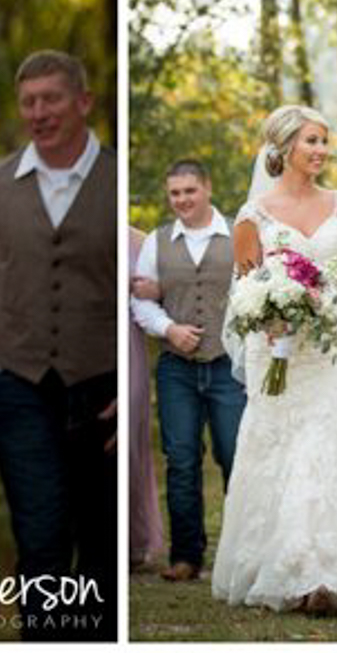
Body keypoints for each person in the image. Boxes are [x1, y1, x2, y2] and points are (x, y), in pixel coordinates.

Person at [208, 105, 337, 615]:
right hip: (275, 346)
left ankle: (327, 573)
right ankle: (289, 568)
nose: (320, 151)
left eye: (323, 141)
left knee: (329, 439)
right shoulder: (253, 218)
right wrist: (270, 319)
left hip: (331, 341)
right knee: (281, 445)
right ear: (284, 146)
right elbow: (245, 289)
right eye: (311, 141)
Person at [0, 49, 115, 640]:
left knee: (99, 549)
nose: (39, 112)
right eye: (29, 102)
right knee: (41, 544)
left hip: (101, 390)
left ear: (83, 102)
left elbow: (139, 288)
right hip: (20, 386)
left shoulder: (115, 176)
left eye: (51, 99)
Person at [130, 159, 244, 583]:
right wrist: (169, 329)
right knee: (180, 459)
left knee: (234, 454)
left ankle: (240, 552)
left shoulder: (238, 233)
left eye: (189, 191)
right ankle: (186, 555)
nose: (181, 200)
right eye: (175, 193)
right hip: (177, 368)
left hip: (228, 364)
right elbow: (141, 300)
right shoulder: (157, 242)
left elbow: (256, 289)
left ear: (207, 188)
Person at [126, 226, 164, 571]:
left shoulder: (141, 242)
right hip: (86, 347)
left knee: (129, 439)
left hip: (128, 346)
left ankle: (132, 540)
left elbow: (169, 294)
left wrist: (157, 290)